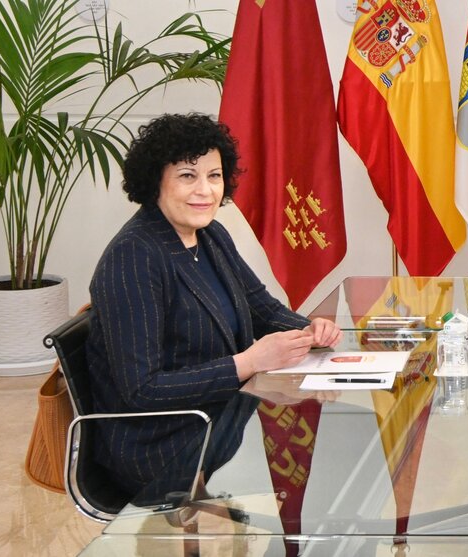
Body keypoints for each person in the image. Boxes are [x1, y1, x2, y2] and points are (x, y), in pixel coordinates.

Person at [86, 113, 343, 495]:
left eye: (214, 175)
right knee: (321, 466)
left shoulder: (211, 235)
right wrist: (251, 362)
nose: (205, 190)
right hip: (163, 444)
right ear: (155, 180)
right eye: (187, 176)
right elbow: (141, 391)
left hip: (223, 413)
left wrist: (307, 329)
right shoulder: (134, 256)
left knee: (338, 444)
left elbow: (263, 309)